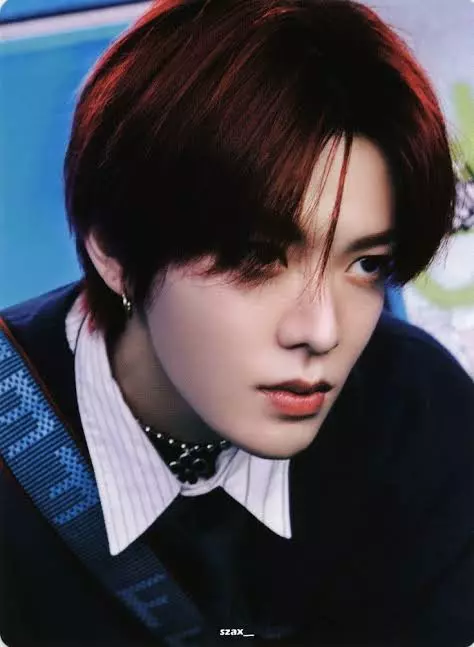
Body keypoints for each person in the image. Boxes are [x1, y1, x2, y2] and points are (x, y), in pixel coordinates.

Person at [1, 0, 473, 645]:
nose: (322, 331)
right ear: (112, 250)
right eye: (255, 259)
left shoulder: (418, 408)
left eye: (365, 264)